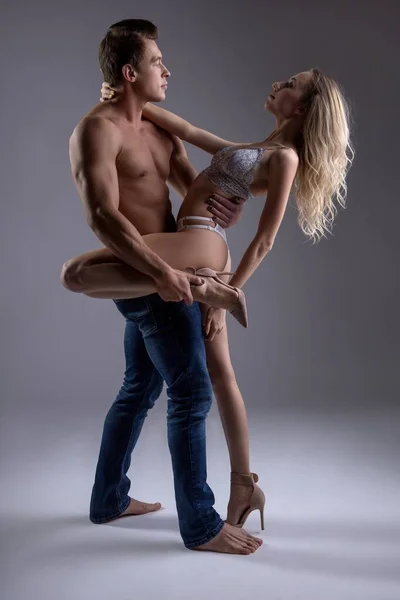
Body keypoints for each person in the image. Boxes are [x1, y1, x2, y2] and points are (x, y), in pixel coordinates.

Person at [61, 19, 264, 555]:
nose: (166, 69)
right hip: (148, 278)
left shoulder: (158, 129)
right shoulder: (96, 131)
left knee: (139, 389)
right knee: (192, 390)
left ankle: (108, 499)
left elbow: (192, 187)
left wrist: (226, 206)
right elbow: (103, 216)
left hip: (175, 272)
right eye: (156, 62)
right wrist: (161, 272)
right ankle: (200, 525)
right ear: (130, 73)